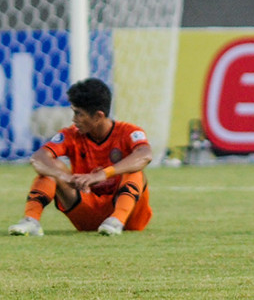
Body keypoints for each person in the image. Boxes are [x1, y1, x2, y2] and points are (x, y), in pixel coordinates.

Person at [8, 78, 153, 237]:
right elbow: (38, 157)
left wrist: (102, 174)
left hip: (130, 219)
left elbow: (145, 155)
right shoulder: (71, 135)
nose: (74, 119)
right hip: (87, 213)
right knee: (51, 168)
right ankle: (31, 220)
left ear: (98, 116)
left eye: (79, 113)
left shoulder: (128, 132)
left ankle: (116, 220)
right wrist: (63, 176)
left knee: (135, 172)